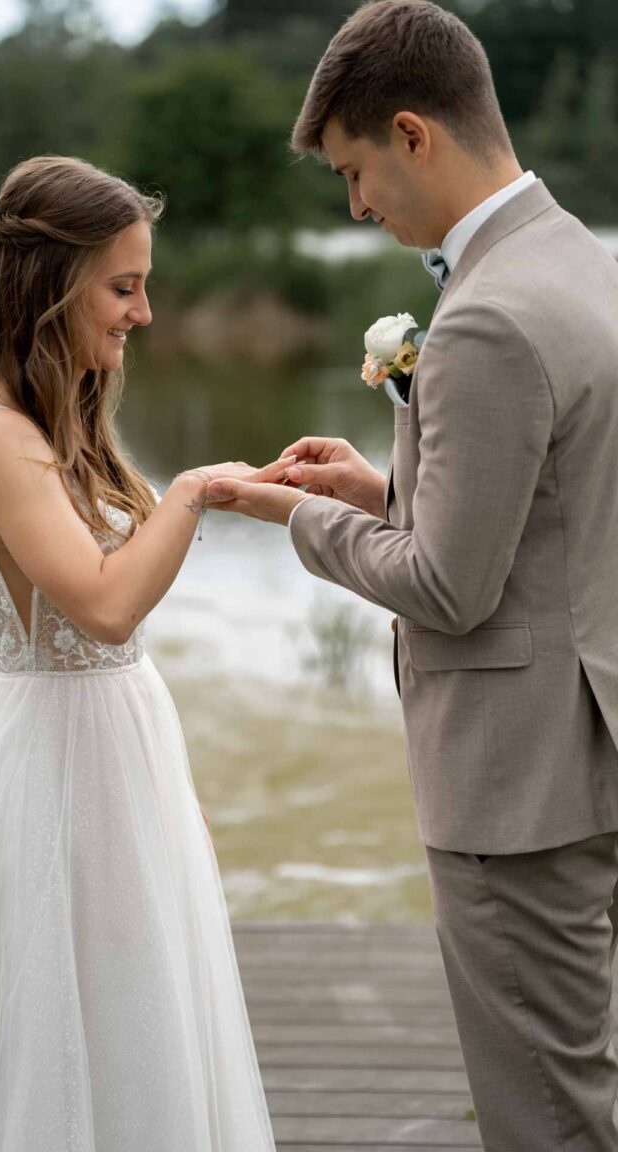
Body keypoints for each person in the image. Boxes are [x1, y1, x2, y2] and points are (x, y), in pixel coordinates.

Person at [205, 2, 618, 1148]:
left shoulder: (485, 316)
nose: (358, 207)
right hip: (588, 747)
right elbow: (550, 519)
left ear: (412, 132)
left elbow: (447, 588)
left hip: (513, 782)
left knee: (548, 1116)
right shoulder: (573, 256)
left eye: (355, 171)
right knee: (584, 1078)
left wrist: (290, 514)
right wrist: (376, 491)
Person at [0, 155, 282, 1151]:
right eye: (124, 286)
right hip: (54, 766)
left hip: (117, 750)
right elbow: (101, 608)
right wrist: (192, 494)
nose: (144, 312)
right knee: (62, 1014)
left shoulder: (56, 425)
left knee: (134, 998)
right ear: (54, 286)